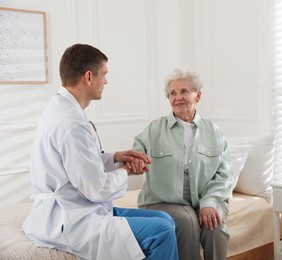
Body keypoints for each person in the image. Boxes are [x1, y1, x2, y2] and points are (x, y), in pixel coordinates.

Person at [23, 43, 179, 260]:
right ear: (89, 77)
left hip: (78, 207)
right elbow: (95, 188)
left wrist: (116, 157)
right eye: (104, 75)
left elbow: (80, 162)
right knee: (162, 232)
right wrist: (126, 170)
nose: (106, 81)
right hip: (70, 218)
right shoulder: (70, 123)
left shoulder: (63, 109)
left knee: (165, 219)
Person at [133, 69, 233, 260]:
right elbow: (136, 151)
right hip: (163, 200)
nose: (178, 97)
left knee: (215, 227)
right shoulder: (154, 129)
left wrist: (209, 202)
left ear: (198, 95)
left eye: (184, 91)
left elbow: (225, 175)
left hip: (206, 198)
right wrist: (136, 160)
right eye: (173, 93)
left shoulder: (214, 132)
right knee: (187, 222)